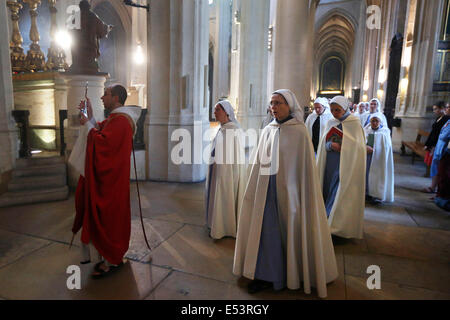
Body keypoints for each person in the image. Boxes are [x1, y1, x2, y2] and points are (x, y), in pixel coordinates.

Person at [233, 89, 338, 298]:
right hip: (265, 192)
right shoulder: (268, 129)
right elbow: (258, 163)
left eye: (278, 103)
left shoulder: (299, 132)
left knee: (289, 231)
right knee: (265, 233)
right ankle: (265, 274)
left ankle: (292, 273)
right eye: (271, 103)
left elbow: (303, 170)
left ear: (289, 105)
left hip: (290, 194)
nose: (274, 107)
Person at [69, 84, 142, 278]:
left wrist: (87, 124)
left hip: (112, 183)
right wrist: (90, 117)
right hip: (111, 181)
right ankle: (107, 257)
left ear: (116, 98)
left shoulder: (121, 121)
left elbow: (103, 144)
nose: (102, 97)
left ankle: (112, 259)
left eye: (106, 94)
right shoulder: (116, 119)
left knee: (110, 218)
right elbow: (100, 131)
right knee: (106, 218)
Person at [316, 96, 366, 239]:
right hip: (329, 165)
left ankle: (338, 227)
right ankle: (326, 220)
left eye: (337, 110)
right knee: (328, 189)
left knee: (340, 192)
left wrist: (344, 147)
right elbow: (323, 144)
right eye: (332, 110)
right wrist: (330, 145)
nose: (334, 113)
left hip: (346, 165)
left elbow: (358, 148)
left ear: (345, 108)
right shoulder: (331, 122)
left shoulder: (354, 123)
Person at [205, 100, 246, 239]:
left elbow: (234, 157)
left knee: (225, 196)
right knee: (218, 197)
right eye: (214, 110)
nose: (214, 113)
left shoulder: (233, 130)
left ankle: (225, 228)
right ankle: (216, 224)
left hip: (228, 173)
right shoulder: (222, 129)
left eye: (217, 110)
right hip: (218, 171)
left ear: (226, 112)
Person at [365, 113, 394, 204]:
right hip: (367, 157)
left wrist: (377, 150)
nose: (374, 123)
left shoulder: (384, 132)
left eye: (376, 121)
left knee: (377, 176)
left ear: (380, 121)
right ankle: (367, 193)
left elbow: (387, 147)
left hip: (379, 159)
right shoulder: (366, 130)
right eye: (372, 121)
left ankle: (377, 195)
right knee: (366, 175)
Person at [422, 101, 450, 193]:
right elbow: (434, 133)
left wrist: (432, 145)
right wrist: (428, 144)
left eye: (436, 109)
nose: (447, 109)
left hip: (442, 147)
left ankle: (436, 189)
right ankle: (435, 188)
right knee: (435, 167)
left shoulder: (446, 119)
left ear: (442, 108)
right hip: (438, 145)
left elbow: (441, 135)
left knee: (440, 168)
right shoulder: (441, 118)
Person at [430, 105, 450, 205]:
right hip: (440, 147)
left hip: (446, 150)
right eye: (446, 107)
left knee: (444, 174)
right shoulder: (447, 121)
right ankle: (439, 194)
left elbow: (445, 135)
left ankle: (442, 196)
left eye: (448, 107)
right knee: (440, 172)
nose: (446, 109)